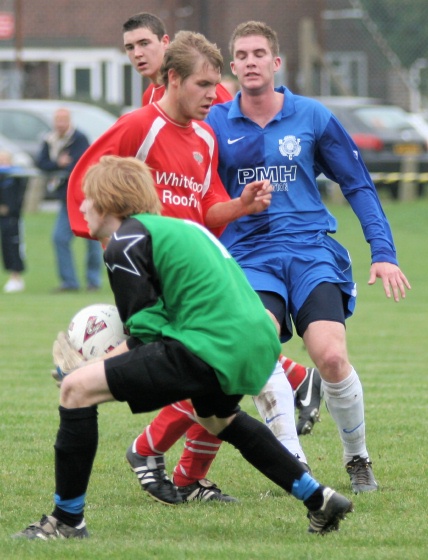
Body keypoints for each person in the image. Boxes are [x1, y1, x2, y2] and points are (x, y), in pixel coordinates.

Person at [13, 155, 353, 540]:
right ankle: (319, 498)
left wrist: (85, 370)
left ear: (108, 200)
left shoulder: (123, 243)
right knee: (218, 420)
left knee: (76, 391)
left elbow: (145, 335)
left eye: (87, 198)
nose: (83, 206)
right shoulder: (176, 230)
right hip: (255, 343)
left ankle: (66, 521)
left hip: (211, 343)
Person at [69, 24, 320, 503]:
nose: (216, 95)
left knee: (218, 386)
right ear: (173, 80)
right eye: (205, 85)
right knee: (232, 372)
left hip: (193, 277)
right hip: (156, 276)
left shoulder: (205, 137)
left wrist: (242, 205)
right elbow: (86, 179)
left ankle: (179, 468)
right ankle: (295, 438)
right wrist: (110, 241)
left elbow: (207, 210)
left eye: (216, 84)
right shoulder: (139, 126)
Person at [206, 20, 412, 494]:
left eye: (260, 53)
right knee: (259, 353)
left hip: (310, 251)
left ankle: (357, 458)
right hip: (250, 257)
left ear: (276, 63)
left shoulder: (312, 116)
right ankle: (296, 466)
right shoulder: (215, 124)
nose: (252, 61)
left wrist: (383, 252)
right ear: (232, 66)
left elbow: (357, 183)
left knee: (331, 357)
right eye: (243, 55)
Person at [35, 108, 103, 292]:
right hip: (66, 200)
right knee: (59, 238)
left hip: (86, 198)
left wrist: (60, 166)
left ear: (69, 121)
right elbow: (40, 163)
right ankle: (70, 282)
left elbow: (78, 164)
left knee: (93, 239)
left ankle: (93, 281)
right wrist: (58, 163)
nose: (60, 124)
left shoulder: (79, 138)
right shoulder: (49, 140)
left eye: (64, 120)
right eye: (57, 120)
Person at [0, 150, 27, 293]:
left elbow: (17, 200)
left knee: (14, 246)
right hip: (3, 219)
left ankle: (16, 277)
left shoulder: (16, 176)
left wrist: (9, 208)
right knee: (5, 248)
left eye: (4, 160)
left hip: (12, 218)